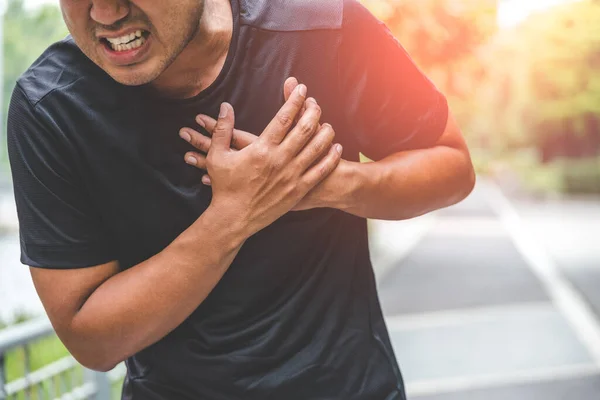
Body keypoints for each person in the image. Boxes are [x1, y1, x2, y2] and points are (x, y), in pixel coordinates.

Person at [7, 0, 475, 399]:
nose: (105, 13)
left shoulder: (322, 22)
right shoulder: (50, 106)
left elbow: (451, 167)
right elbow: (92, 341)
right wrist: (233, 215)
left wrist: (330, 184)